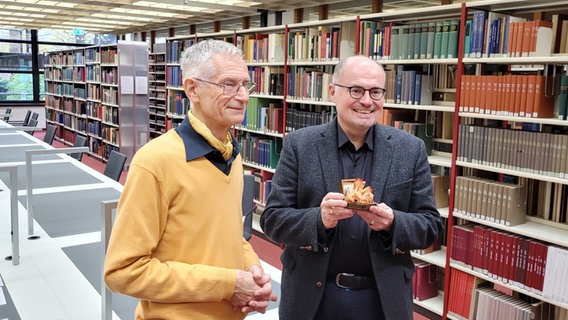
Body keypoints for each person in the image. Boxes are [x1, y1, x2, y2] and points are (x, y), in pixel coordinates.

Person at [260, 55, 443, 320]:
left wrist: (393, 222)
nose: (367, 101)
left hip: (382, 299)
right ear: (333, 91)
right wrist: (318, 219)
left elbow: (431, 226)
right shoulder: (300, 145)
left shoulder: (409, 149)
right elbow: (272, 220)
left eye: (375, 92)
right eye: (356, 90)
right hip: (314, 297)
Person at [104, 39, 276, 319]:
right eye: (228, 84)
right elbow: (122, 272)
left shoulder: (232, 158)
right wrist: (228, 285)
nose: (244, 96)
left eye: (246, 84)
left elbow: (230, 236)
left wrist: (252, 270)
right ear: (192, 89)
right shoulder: (155, 161)